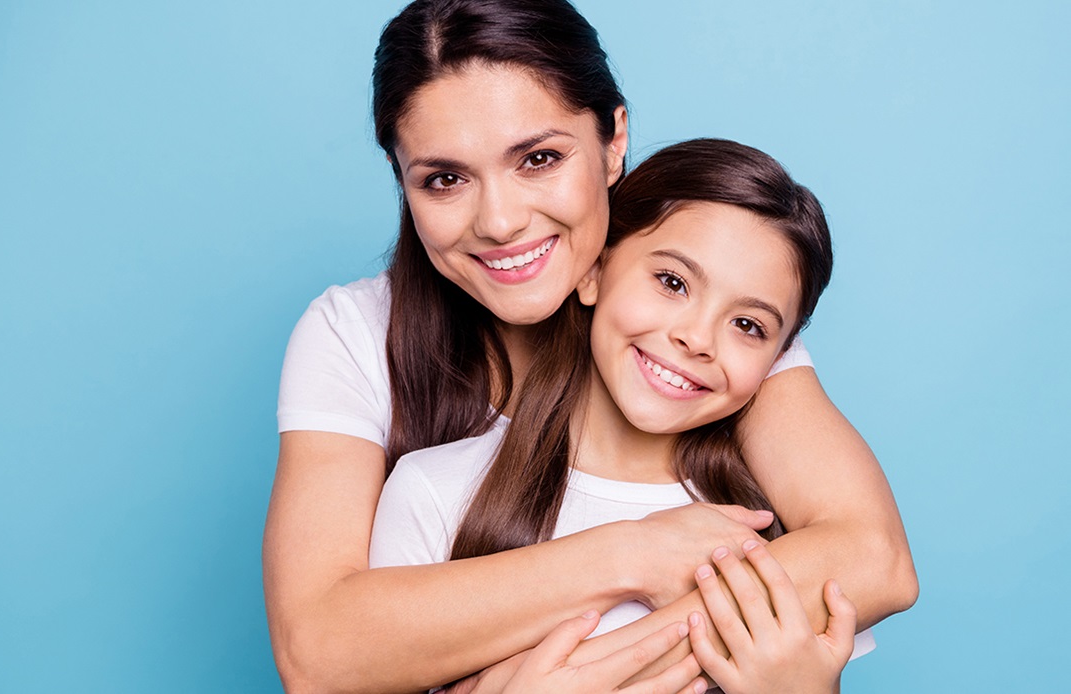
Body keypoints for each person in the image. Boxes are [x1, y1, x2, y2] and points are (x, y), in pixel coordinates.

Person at [263, 2, 918, 692]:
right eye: (445, 179)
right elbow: (321, 652)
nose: (501, 220)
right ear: (403, 182)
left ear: (613, 140)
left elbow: (873, 557)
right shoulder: (362, 342)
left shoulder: (700, 325)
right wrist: (631, 554)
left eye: (539, 158)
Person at [370, 138, 864, 692]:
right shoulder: (434, 492)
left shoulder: (782, 534)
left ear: (780, 357)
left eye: (748, 325)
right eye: (672, 282)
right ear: (593, 272)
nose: (697, 338)